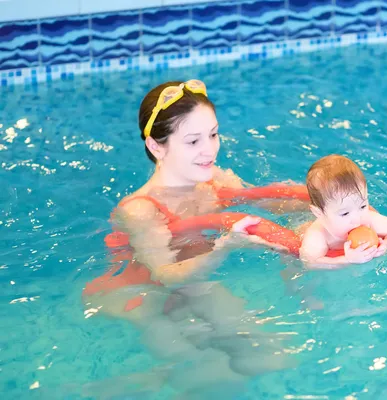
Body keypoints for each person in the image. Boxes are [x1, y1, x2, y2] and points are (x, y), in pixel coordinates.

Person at [83, 79, 306, 397]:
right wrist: (225, 245)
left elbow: (268, 201)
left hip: (193, 281)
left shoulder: (212, 180)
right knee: (213, 376)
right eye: (193, 141)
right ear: (156, 146)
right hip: (139, 294)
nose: (210, 150)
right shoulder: (141, 210)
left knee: (272, 357)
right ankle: (143, 381)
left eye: (213, 134)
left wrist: (335, 205)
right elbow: (165, 275)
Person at [299, 154, 387, 269]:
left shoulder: (370, 220)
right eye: (345, 213)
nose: (358, 219)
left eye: (362, 206)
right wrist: (346, 260)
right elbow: (310, 262)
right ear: (319, 214)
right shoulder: (319, 235)